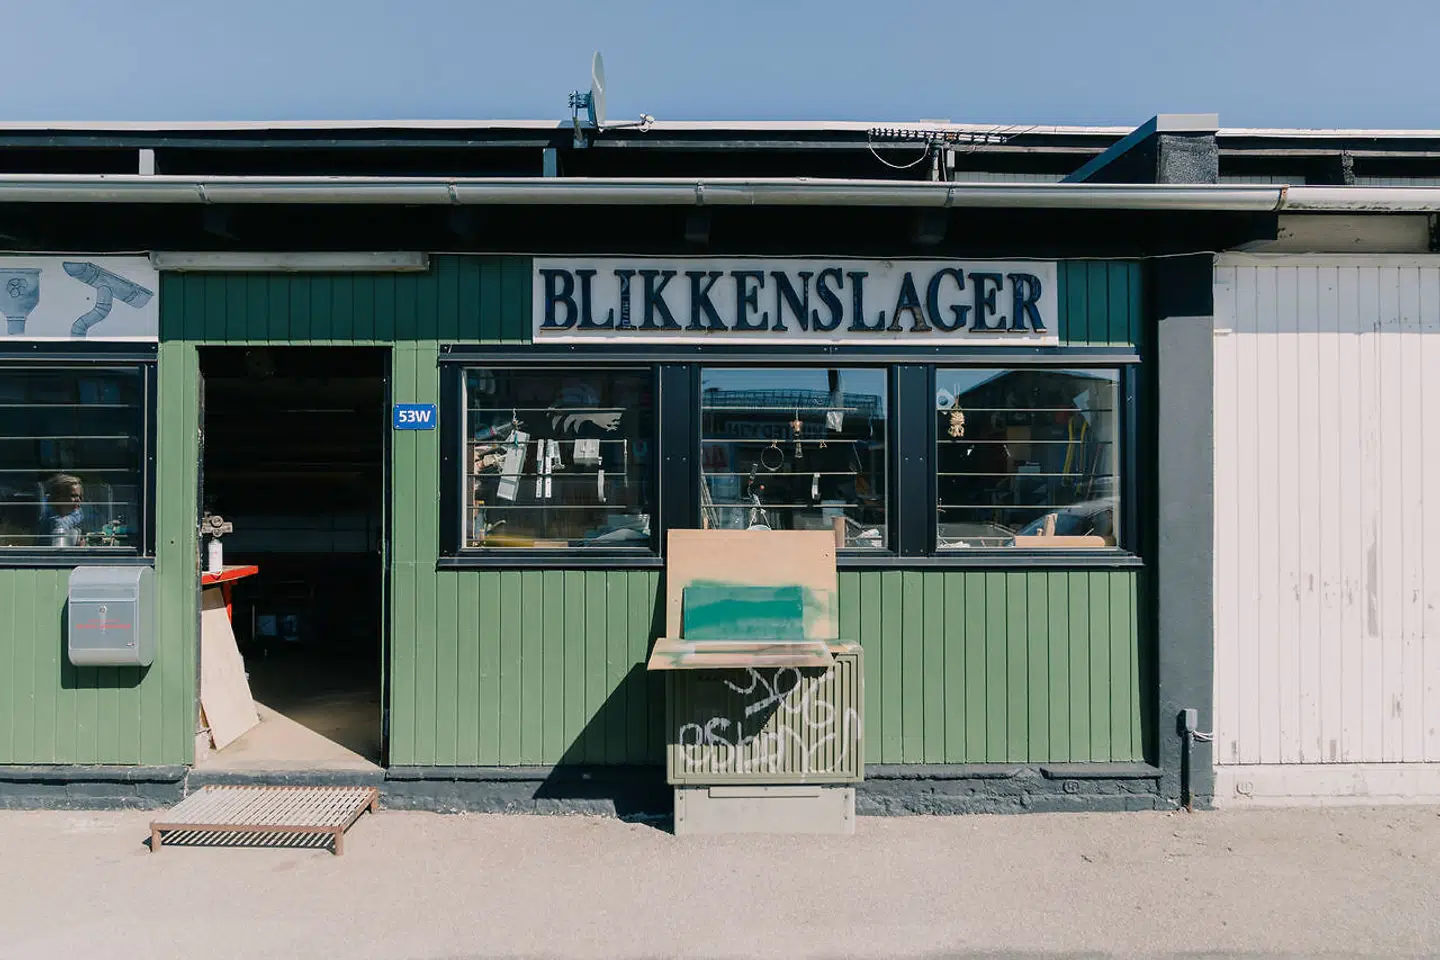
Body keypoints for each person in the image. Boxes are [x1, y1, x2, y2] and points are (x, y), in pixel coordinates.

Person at [41, 473, 86, 547]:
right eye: (73, 496)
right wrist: (80, 548)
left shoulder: (76, 514)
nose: (79, 500)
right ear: (59, 497)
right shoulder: (58, 525)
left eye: (80, 496)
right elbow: (59, 555)